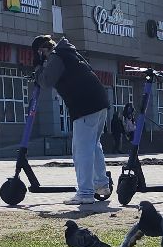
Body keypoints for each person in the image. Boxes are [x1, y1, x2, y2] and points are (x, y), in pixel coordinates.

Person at [33, 34, 113, 205]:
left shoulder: (56, 56)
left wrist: (38, 68)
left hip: (85, 105)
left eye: (39, 54)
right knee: (94, 145)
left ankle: (85, 193)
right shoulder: (69, 51)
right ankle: (101, 185)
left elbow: (46, 81)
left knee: (81, 150)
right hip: (99, 102)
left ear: (41, 51)